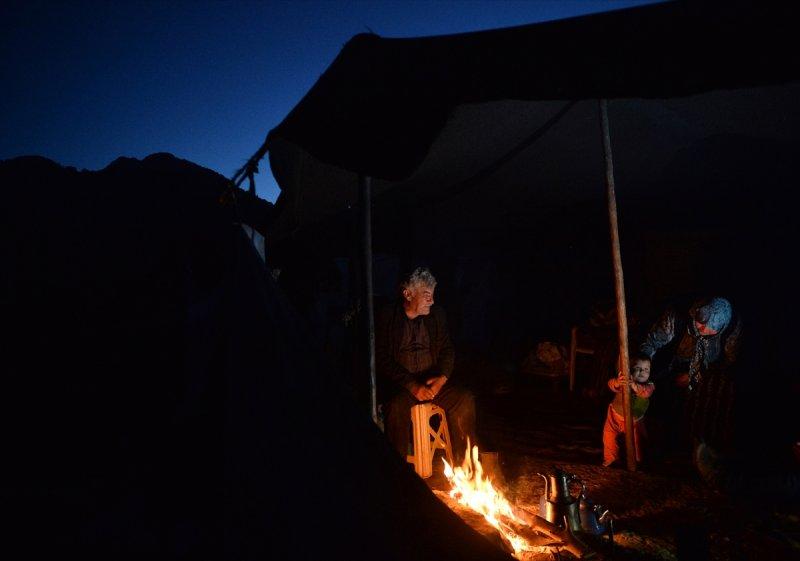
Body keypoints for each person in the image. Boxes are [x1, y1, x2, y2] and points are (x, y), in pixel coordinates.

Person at [376, 267, 476, 463]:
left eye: (432, 295)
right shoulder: (387, 317)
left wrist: (441, 379)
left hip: (432, 384)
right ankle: (398, 472)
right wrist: (412, 386)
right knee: (395, 408)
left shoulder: (436, 315)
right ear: (408, 294)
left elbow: (448, 349)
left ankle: (466, 467)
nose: (432, 300)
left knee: (464, 399)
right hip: (403, 387)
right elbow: (382, 359)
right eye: (426, 295)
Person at [639, 296, 742, 454]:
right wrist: (642, 365)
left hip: (707, 370)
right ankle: (651, 442)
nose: (703, 332)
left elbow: (729, 363)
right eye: (700, 327)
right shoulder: (678, 315)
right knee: (656, 395)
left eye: (710, 332)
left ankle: (690, 448)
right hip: (671, 360)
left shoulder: (731, 328)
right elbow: (651, 343)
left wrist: (695, 376)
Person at [602, 354, 655, 467]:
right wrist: (617, 382)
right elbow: (610, 384)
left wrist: (634, 386)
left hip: (634, 421)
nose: (642, 372)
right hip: (615, 415)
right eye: (638, 368)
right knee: (609, 436)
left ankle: (638, 461)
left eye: (646, 369)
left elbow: (645, 393)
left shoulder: (649, 385)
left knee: (637, 442)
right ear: (630, 369)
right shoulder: (625, 381)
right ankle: (611, 459)